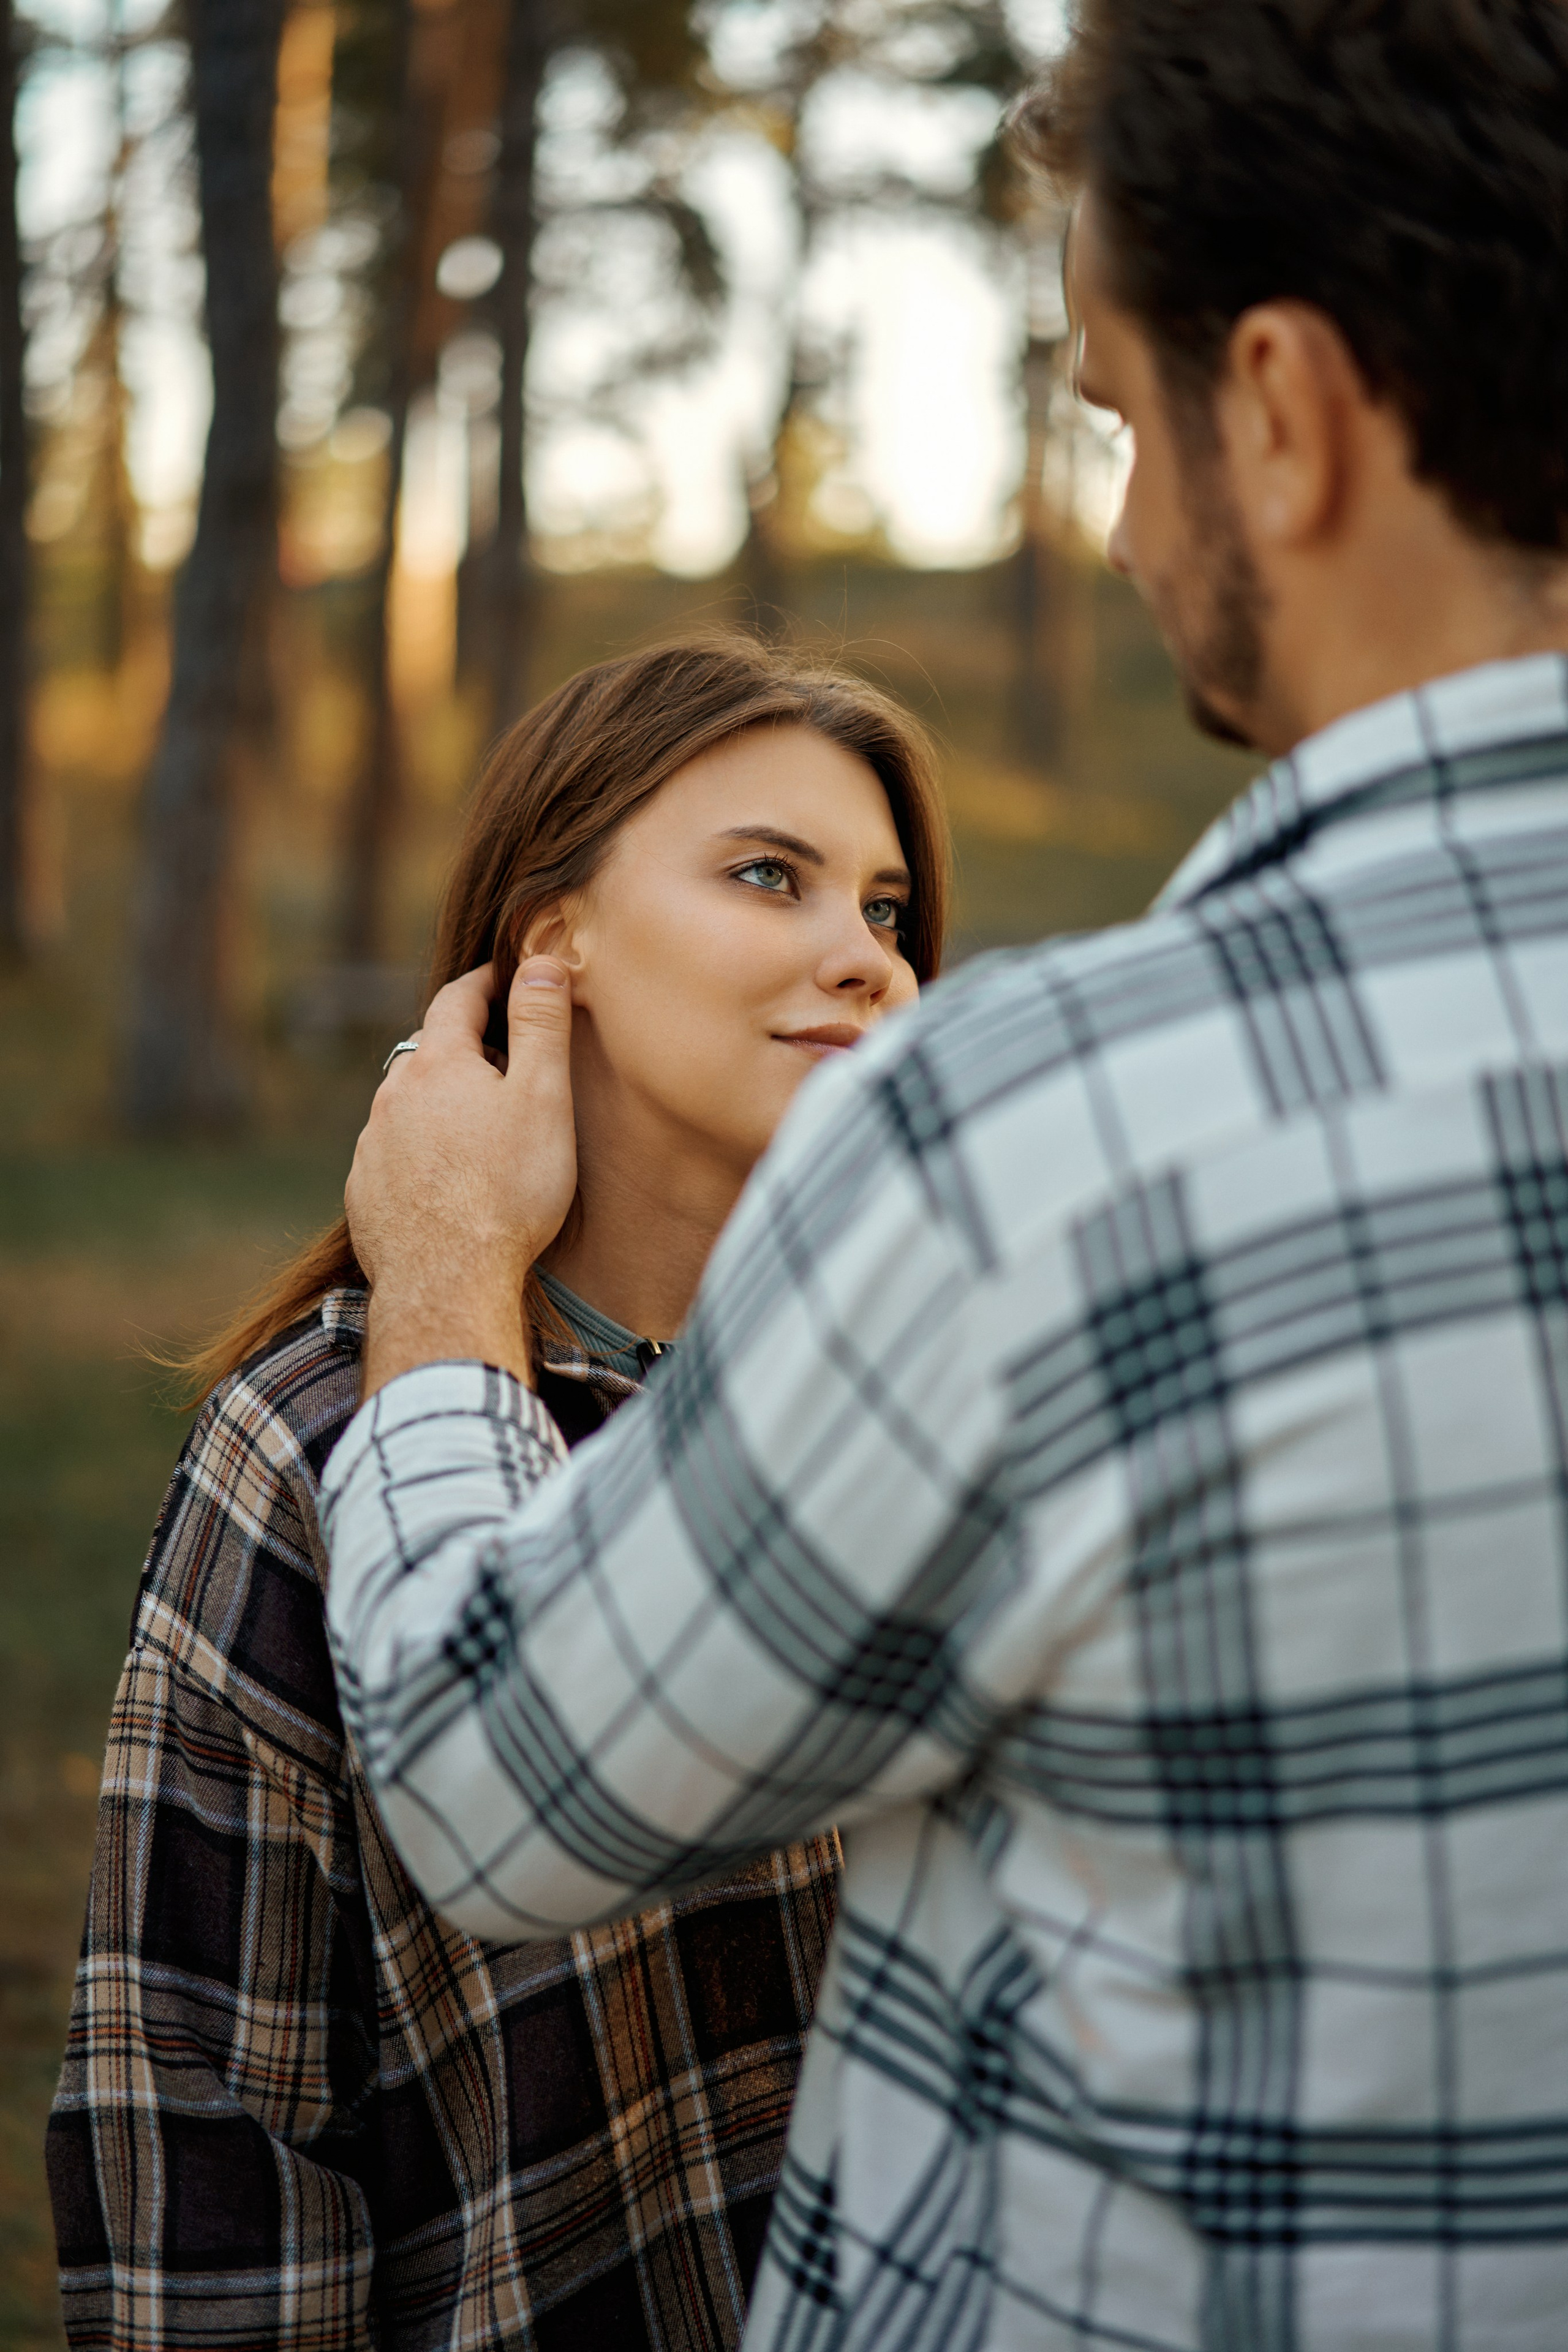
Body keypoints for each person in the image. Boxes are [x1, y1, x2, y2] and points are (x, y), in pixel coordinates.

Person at [318, 7, 1568, 2350]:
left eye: (1122, 416)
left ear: (1281, 412)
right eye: (767, 876)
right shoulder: (258, 1455)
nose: (1124, 523)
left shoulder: (1055, 1145)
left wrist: (450, 1276)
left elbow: (498, 1791)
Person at [45, 637, 951, 2351]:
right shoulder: (312, 1441)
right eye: (772, 875)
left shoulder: (942, 1395)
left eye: (888, 909)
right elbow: (205, 2118)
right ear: (555, 944)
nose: (865, 957)